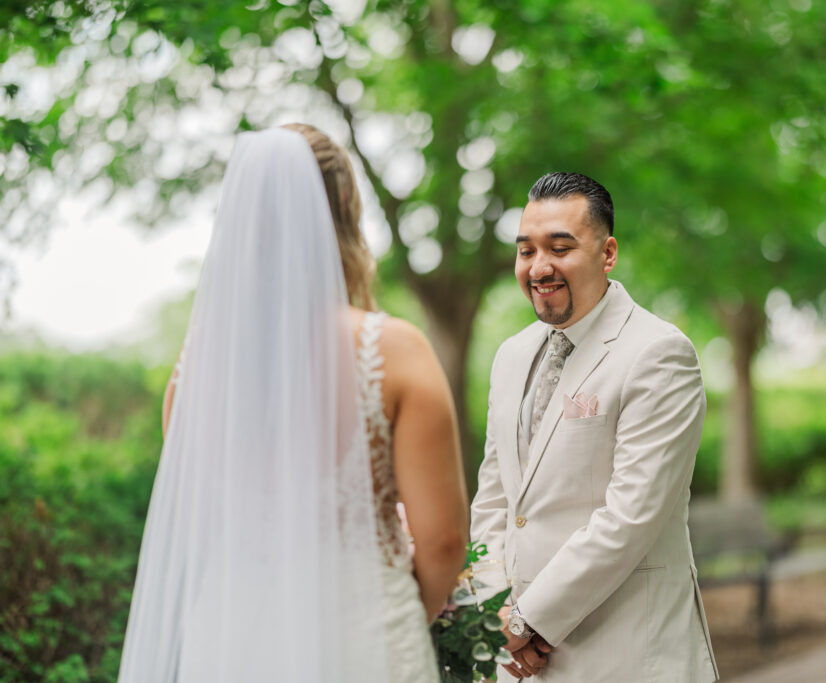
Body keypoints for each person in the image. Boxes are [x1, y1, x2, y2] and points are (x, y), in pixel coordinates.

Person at [119, 125, 468, 682]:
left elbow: (197, 524)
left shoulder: (197, 370)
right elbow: (444, 539)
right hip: (364, 639)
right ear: (348, 212)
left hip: (232, 641)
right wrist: (398, 614)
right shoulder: (395, 351)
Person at [470, 172, 719, 682]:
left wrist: (526, 619)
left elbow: (630, 517)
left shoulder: (658, 353)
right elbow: (495, 502)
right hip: (522, 663)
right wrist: (493, 612)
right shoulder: (511, 355)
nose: (539, 267)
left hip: (626, 655)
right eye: (526, 251)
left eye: (560, 248)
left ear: (607, 254)